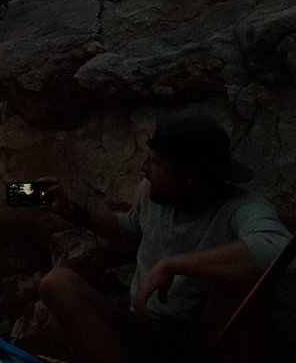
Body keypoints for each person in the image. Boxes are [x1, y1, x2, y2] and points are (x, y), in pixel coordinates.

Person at [36, 110, 292, 363]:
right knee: (58, 283)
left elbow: (279, 249)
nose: (144, 168)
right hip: (145, 329)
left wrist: (174, 265)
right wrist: (73, 212)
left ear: (190, 175)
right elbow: (129, 228)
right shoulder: (153, 193)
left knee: (239, 284)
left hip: (203, 340)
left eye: (155, 162)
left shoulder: (242, 208)